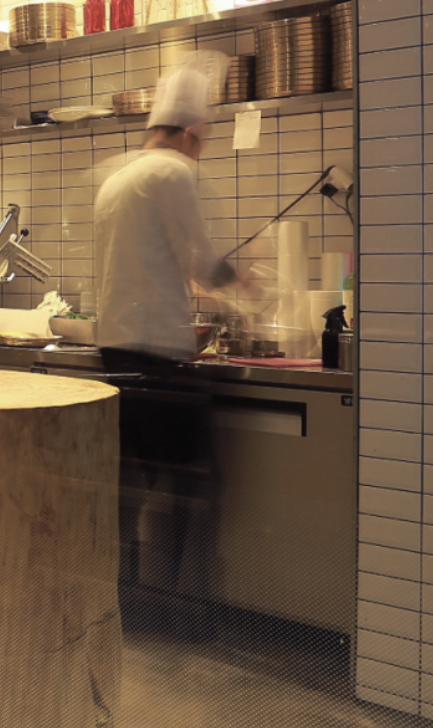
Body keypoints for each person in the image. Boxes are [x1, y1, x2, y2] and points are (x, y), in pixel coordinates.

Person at [93, 60, 250, 638]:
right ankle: (180, 611)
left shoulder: (117, 178)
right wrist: (245, 283)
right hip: (160, 354)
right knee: (192, 484)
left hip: (115, 352)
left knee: (129, 488)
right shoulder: (173, 173)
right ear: (189, 133)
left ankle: (125, 600)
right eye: (201, 141)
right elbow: (201, 259)